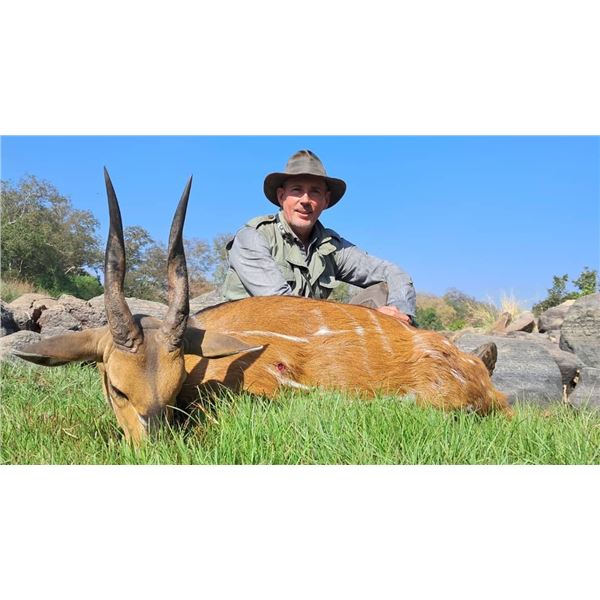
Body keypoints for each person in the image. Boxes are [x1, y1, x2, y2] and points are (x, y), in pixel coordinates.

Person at [221, 149, 417, 324]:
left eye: (314, 192)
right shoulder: (253, 236)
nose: (305, 200)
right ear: (281, 196)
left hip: (307, 334)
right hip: (243, 335)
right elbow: (283, 307)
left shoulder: (332, 246)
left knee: (384, 290)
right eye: (297, 190)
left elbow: (393, 273)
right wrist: (366, 318)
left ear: (326, 200)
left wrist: (400, 313)